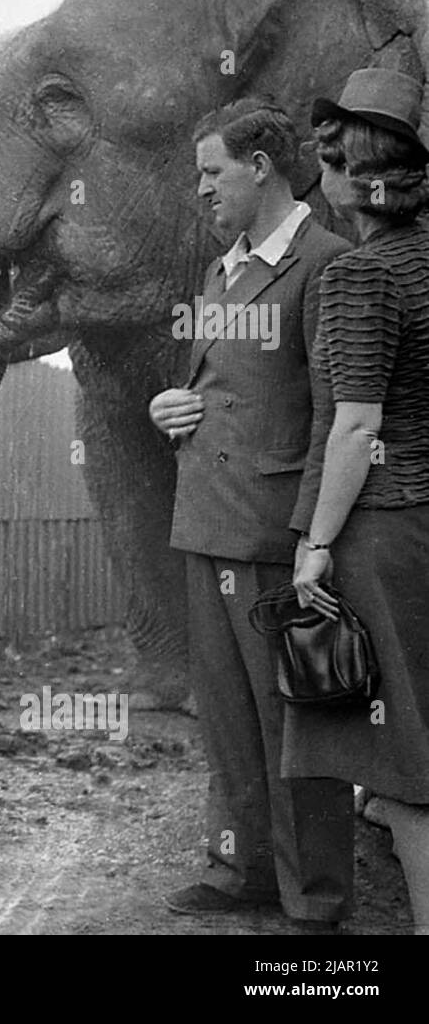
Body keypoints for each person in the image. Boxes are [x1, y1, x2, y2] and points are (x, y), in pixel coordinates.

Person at [148, 97, 354, 926]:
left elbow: (341, 415)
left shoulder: (328, 263)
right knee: (229, 719)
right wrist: (169, 409)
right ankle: (241, 874)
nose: (201, 190)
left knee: (295, 724)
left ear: (261, 166)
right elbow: (218, 388)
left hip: (277, 536)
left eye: (212, 171)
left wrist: (314, 536)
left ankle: (315, 900)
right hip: (205, 523)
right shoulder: (219, 269)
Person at [288, 67, 429, 935]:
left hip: (380, 533)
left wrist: (315, 544)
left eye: (328, 168)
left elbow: (355, 428)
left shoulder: (356, 276)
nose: (322, 188)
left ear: (353, 176)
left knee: (402, 767)